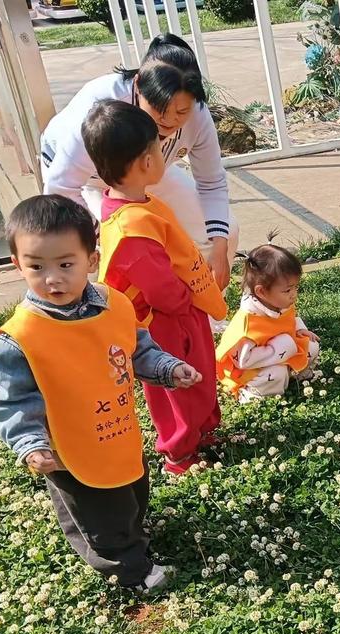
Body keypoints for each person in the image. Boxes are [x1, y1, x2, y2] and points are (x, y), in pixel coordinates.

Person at [0, 195, 201, 591]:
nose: (53, 279)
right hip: (69, 450)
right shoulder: (21, 338)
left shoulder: (113, 306)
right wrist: (30, 443)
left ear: (92, 259)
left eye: (66, 264)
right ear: (17, 265)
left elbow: (136, 350)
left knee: (131, 488)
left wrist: (169, 368)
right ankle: (130, 571)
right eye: (36, 267)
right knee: (97, 512)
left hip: (117, 430)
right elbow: (13, 400)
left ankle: (130, 531)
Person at [84, 99, 228, 475]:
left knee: (201, 372)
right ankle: (179, 452)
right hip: (165, 322)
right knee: (176, 384)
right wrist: (186, 301)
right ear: (147, 162)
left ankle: (204, 431)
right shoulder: (130, 226)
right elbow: (160, 287)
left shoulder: (139, 205)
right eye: (159, 148)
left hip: (183, 312)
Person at [40, 33, 237, 289]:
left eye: (181, 111)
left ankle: (205, 308)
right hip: (89, 179)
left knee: (226, 231)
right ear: (137, 86)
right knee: (121, 249)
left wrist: (219, 248)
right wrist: (100, 234)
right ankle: (119, 312)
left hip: (149, 170)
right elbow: (61, 188)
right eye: (159, 109)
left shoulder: (197, 115)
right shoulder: (101, 111)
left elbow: (211, 182)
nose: (170, 120)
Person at [216, 244, 320, 402]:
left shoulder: (278, 303)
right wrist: (279, 349)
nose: (293, 294)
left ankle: (294, 374)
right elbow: (243, 361)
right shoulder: (249, 325)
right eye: (287, 290)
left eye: (295, 287)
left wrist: (299, 329)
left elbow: (289, 319)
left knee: (311, 345)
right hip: (251, 369)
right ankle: (250, 394)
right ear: (261, 291)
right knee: (276, 374)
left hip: (280, 355)